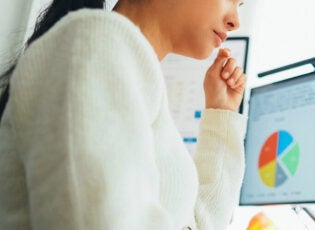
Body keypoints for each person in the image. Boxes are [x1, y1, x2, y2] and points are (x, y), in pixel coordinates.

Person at [0, 0, 248, 229]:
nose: (235, 21)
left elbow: (194, 223)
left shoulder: (130, 77)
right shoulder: (94, 42)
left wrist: (222, 113)